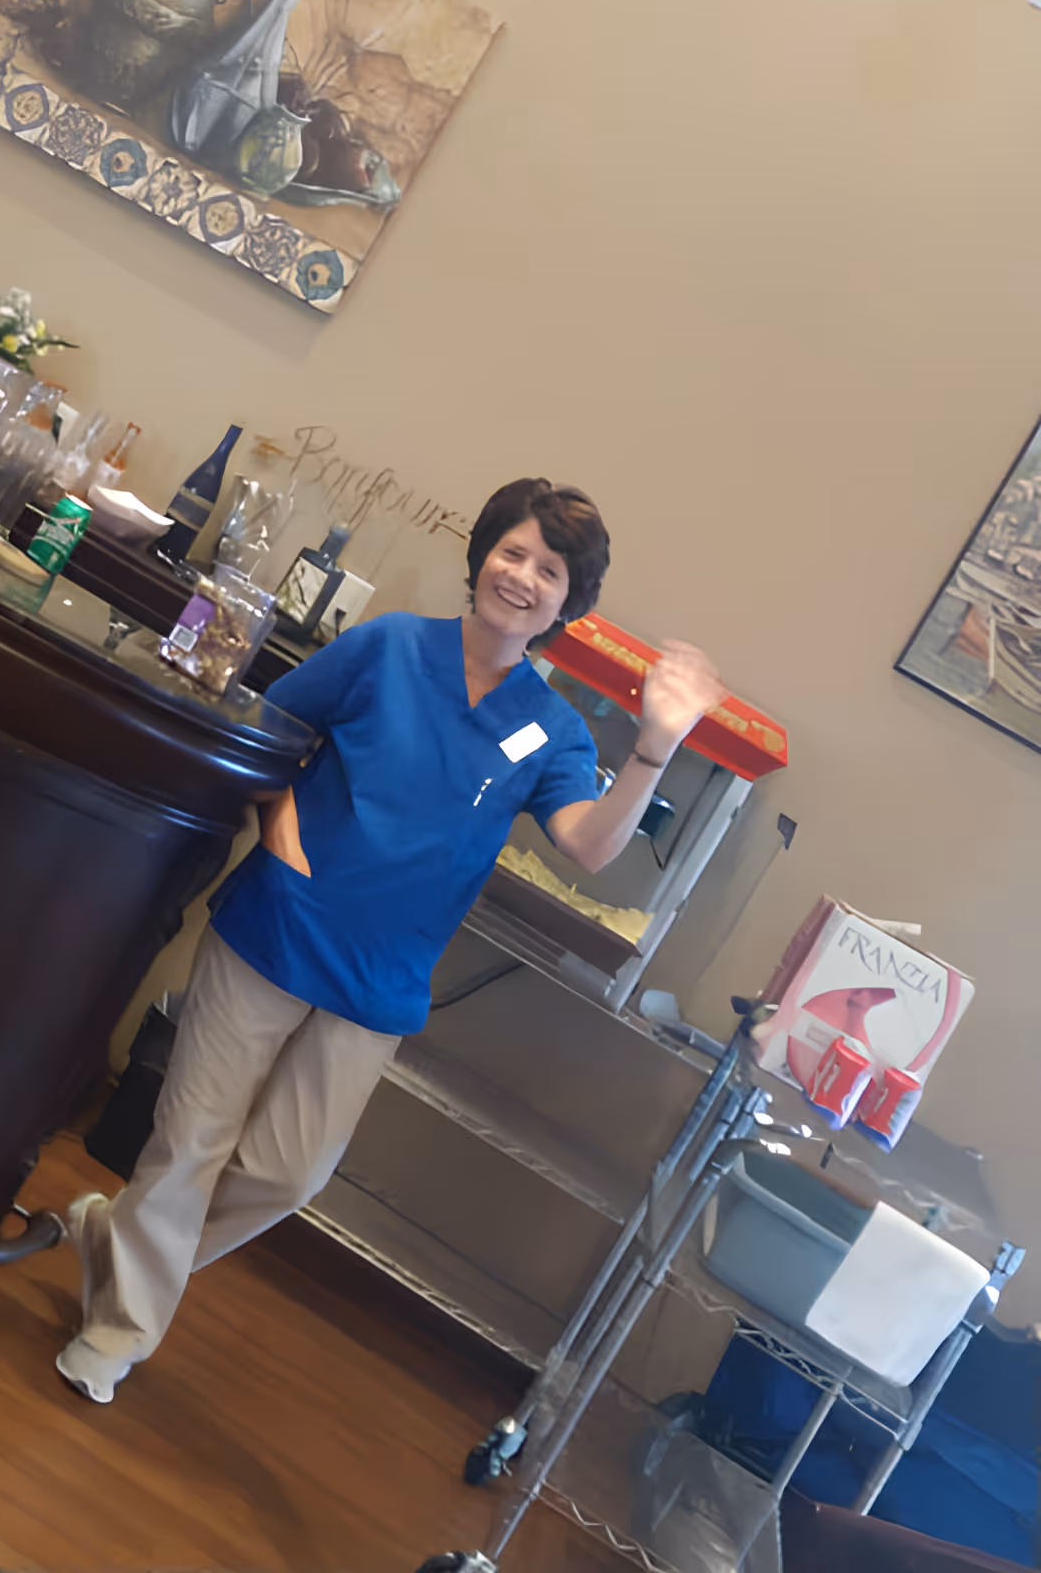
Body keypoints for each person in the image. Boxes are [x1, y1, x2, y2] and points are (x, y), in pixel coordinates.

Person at [56, 475, 723, 1405]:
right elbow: (269, 724)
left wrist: (654, 748)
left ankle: (116, 1240)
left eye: (550, 570)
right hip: (276, 927)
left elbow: (589, 846)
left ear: (571, 604)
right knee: (190, 1143)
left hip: (381, 980)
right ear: (483, 555)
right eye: (513, 551)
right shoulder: (388, 647)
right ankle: (118, 1328)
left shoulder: (553, 729)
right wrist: (278, 831)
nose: (523, 576)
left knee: (288, 1173)